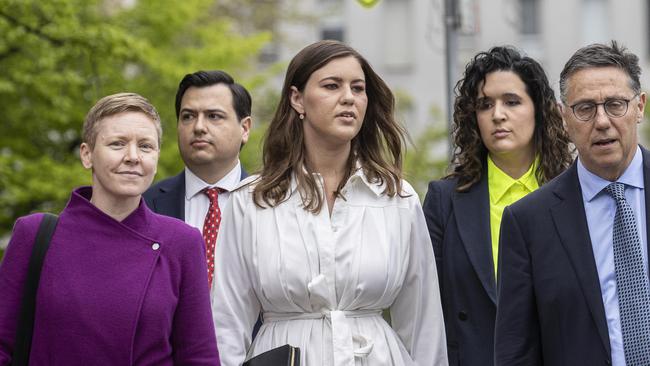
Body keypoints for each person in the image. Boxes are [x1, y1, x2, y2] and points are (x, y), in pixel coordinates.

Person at [211, 40, 448, 366]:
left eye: (358, 88)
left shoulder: (398, 199)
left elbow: (424, 324)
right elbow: (227, 323)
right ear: (297, 99)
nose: (349, 97)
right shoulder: (251, 201)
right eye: (332, 86)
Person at [0, 93, 220, 365]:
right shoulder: (35, 234)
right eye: (117, 144)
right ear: (87, 155)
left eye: (146, 146)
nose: (133, 157)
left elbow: (198, 357)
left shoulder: (182, 242)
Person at [495, 41, 650, 366]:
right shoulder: (528, 223)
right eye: (585, 108)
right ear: (563, 117)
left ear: (640, 107)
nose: (602, 121)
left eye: (615, 104)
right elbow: (516, 351)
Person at [422, 47, 572, 365]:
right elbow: (426, 308)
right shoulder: (443, 200)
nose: (497, 114)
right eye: (485, 104)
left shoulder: (573, 195)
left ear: (540, 110)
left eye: (512, 101)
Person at [143, 70, 252, 288]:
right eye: (188, 116)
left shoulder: (272, 203)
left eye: (214, 116)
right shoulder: (144, 203)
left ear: (245, 128)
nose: (199, 127)